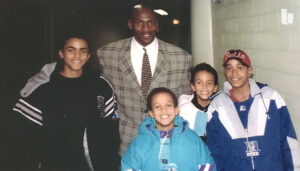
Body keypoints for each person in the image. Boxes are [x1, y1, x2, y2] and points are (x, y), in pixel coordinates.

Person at [10, 34, 120, 171]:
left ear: (88, 56)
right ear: (61, 53)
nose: (77, 56)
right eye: (71, 50)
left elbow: (110, 132)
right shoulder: (42, 89)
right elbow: (25, 138)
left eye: (83, 50)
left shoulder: (100, 86)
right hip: (54, 165)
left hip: (92, 165)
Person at [97, 4, 192, 156]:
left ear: (157, 24)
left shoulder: (180, 57)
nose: (146, 28)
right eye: (139, 22)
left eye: (150, 22)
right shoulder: (108, 54)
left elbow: (186, 101)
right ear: (130, 24)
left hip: (168, 141)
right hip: (127, 142)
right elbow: (104, 98)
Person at [206, 49, 300, 171]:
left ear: (249, 71)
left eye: (240, 68)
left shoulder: (271, 98)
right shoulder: (216, 106)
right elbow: (212, 150)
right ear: (225, 71)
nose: (234, 73)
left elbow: (289, 141)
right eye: (229, 68)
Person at [121, 87, 216, 171]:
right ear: (151, 113)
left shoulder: (193, 139)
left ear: (176, 110)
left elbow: (208, 166)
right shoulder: (139, 143)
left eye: (168, 105)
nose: (164, 110)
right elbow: (128, 167)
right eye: (157, 106)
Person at [178, 63, 219, 142]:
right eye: (199, 82)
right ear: (193, 86)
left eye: (209, 83)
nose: (204, 87)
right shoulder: (183, 110)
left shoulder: (218, 109)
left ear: (215, 88)